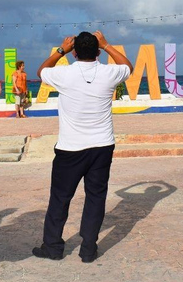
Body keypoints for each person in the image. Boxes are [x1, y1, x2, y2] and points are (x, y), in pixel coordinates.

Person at [32, 31, 133, 263]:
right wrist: (107, 44)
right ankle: (88, 249)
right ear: (98, 51)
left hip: (70, 148)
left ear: (74, 52)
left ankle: (53, 247)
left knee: (60, 198)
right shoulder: (110, 72)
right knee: (95, 198)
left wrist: (61, 50)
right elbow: (128, 65)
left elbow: (41, 71)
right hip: (102, 146)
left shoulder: (64, 73)